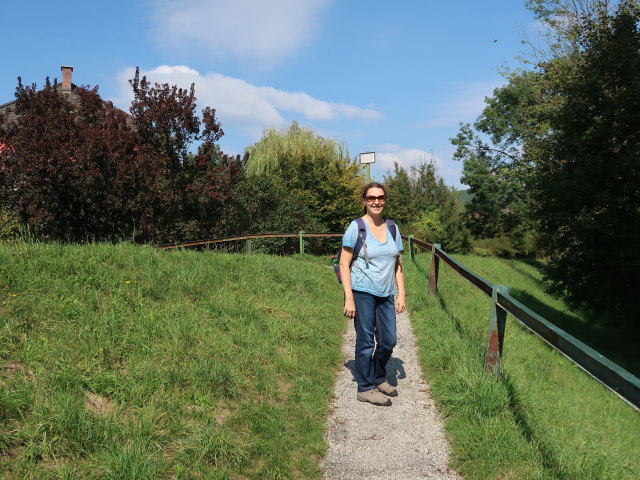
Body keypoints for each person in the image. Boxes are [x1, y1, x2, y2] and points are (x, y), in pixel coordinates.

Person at [339, 182, 406, 406]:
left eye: (380, 197)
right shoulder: (356, 227)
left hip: (386, 294)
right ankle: (365, 387)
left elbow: (398, 263)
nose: (376, 201)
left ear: (385, 199)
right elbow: (344, 263)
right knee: (366, 341)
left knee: (389, 340)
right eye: (371, 198)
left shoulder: (392, 228)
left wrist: (401, 293)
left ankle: (378, 377)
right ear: (364, 201)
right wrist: (349, 297)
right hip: (362, 293)